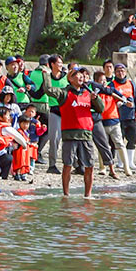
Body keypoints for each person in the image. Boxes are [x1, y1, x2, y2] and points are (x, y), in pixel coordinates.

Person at [30, 67, 105, 197]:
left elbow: (101, 109)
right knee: (67, 165)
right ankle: (66, 194)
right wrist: (47, 75)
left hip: (86, 134)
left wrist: (95, 98)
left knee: (90, 166)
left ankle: (88, 195)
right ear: (69, 79)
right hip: (69, 134)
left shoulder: (88, 94)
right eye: (76, 75)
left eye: (82, 75)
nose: (80, 77)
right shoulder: (64, 93)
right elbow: (48, 90)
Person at [110, 63, 136, 171]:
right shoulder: (112, 85)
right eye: (118, 71)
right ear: (115, 73)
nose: (120, 73)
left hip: (131, 116)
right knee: (119, 140)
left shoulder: (131, 84)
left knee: (132, 139)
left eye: (122, 70)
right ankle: (121, 162)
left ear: (126, 72)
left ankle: (130, 162)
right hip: (118, 116)